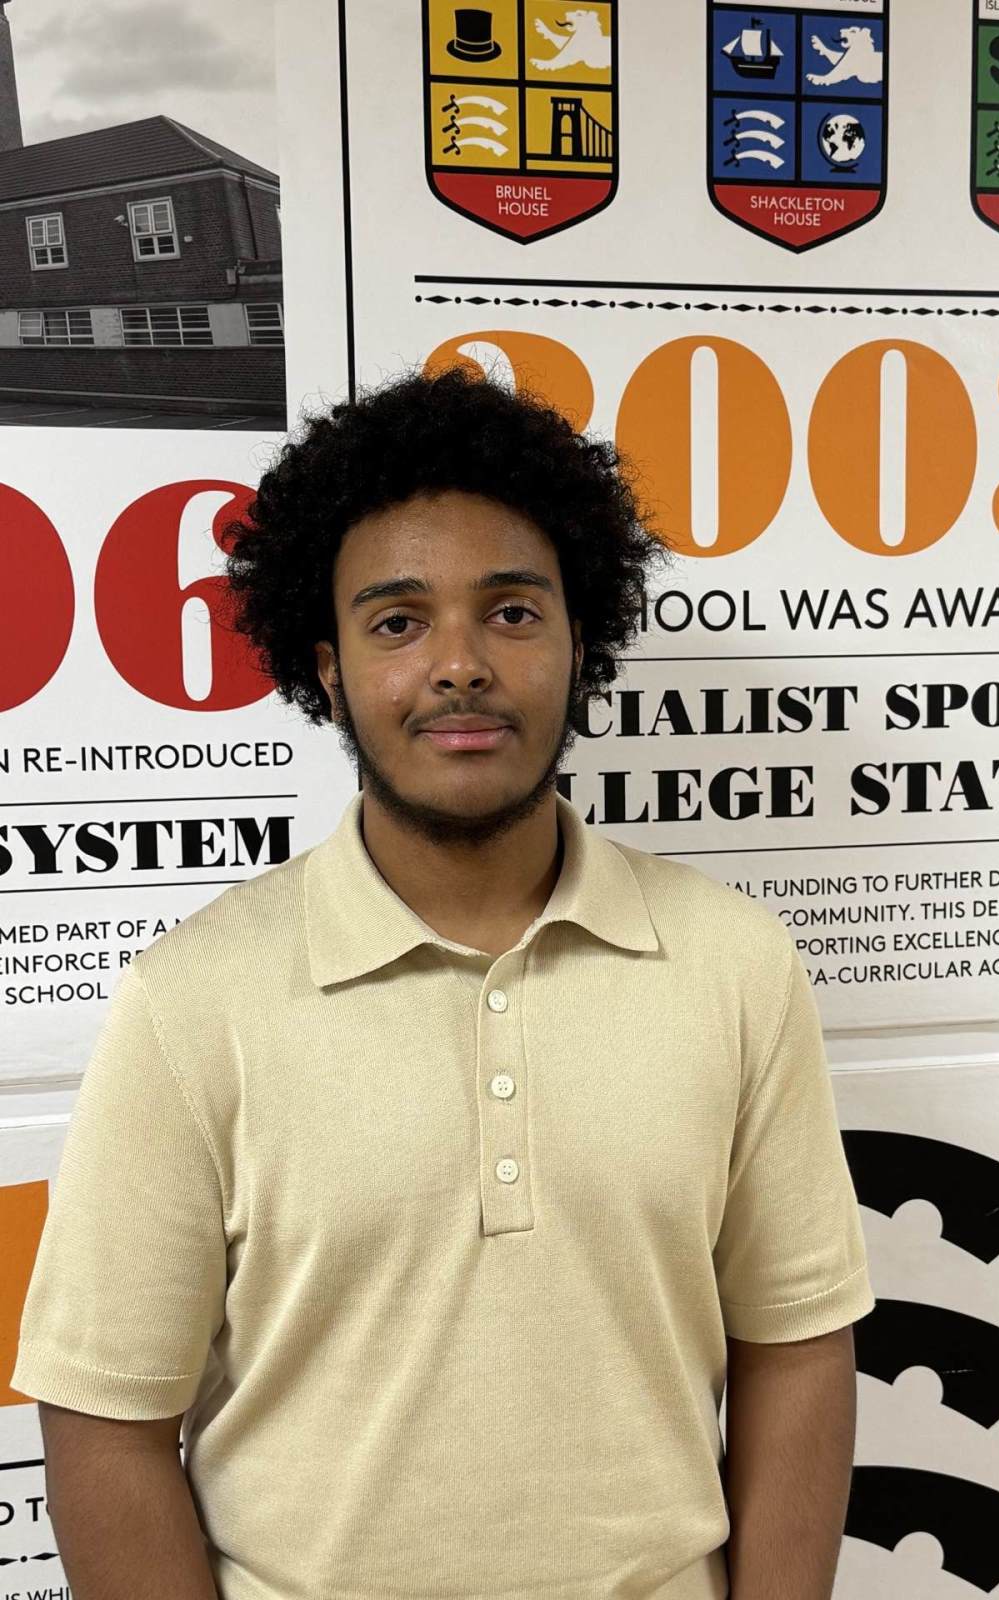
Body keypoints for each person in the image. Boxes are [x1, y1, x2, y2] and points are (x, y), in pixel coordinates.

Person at [12, 364, 875, 1600]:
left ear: (581, 643)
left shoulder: (736, 963)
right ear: (328, 666)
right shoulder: (192, 1002)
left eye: (512, 612)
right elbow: (106, 1421)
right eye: (399, 622)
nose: (460, 665)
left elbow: (796, 1344)